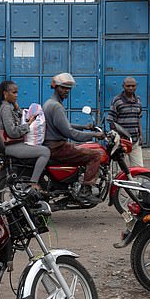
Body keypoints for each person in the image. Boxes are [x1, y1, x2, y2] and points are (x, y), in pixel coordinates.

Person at [43, 73, 105, 204]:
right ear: (55, 87)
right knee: (95, 155)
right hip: (58, 147)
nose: (66, 91)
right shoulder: (56, 106)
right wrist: (94, 135)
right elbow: (70, 133)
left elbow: (63, 125)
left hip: (51, 145)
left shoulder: (50, 103)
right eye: (63, 88)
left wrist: (84, 127)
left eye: (68, 88)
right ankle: (85, 190)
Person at [0, 80, 50, 191]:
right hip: (10, 146)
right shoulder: (5, 109)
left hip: (12, 144)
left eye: (17, 92)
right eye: (14, 93)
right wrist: (28, 125)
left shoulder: (8, 106)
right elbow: (12, 132)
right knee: (45, 152)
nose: (16, 95)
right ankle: (33, 183)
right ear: (5, 94)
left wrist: (16, 106)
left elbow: (18, 118)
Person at [107, 77, 144, 167]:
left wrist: (141, 135)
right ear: (123, 86)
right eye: (128, 86)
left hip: (135, 142)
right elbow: (111, 121)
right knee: (120, 171)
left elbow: (138, 119)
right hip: (121, 142)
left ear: (136, 86)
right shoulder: (117, 100)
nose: (131, 88)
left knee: (138, 169)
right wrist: (116, 138)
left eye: (133, 86)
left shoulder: (138, 100)